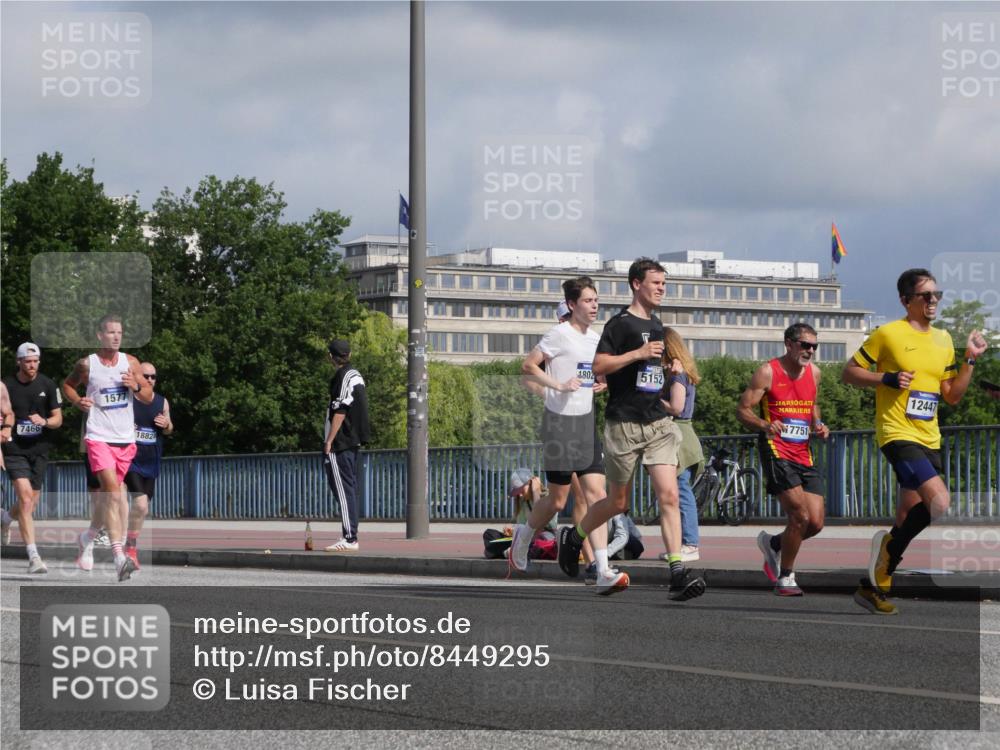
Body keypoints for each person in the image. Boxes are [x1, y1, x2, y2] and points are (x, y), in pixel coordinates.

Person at [842, 269, 988, 615]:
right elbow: (849, 372)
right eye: (926, 295)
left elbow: (951, 395)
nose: (933, 300)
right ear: (906, 300)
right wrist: (886, 378)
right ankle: (889, 549)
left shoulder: (942, 339)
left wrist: (969, 359)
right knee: (939, 502)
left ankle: (872, 587)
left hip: (930, 437)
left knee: (909, 514)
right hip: (897, 433)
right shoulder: (888, 334)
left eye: (936, 294)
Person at [559, 258, 706, 602]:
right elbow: (599, 366)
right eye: (656, 283)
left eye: (664, 284)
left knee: (668, 496)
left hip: (658, 423)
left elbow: (647, 374)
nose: (662, 289)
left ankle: (676, 573)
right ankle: (575, 536)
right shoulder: (619, 324)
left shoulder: (657, 324)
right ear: (637, 284)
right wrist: (638, 352)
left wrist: (666, 370)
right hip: (623, 424)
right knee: (617, 501)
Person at [512, 277, 628, 595]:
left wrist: (598, 383)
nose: (594, 306)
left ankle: (603, 569)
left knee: (597, 496)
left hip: (584, 424)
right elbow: (528, 366)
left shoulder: (597, 339)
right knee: (558, 500)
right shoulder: (558, 335)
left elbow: (592, 372)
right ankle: (523, 536)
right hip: (559, 424)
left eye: (596, 300)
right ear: (573, 305)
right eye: (589, 301)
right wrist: (559, 386)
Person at [736, 323, 830, 596]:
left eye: (814, 346)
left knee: (815, 523)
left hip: (803, 450)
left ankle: (775, 544)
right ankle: (785, 577)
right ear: (789, 344)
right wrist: (765, 425)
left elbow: (812, 404)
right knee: (799, 516)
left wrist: (819, 424)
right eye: (805, 345)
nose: (810, 351)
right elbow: (743, 410)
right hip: (776, 450)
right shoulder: (768, 371)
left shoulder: (815, 373)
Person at [62, 315, 153, 581]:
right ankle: (119, 558)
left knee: (108, 498)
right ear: (100, 335)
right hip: (98, 437)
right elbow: (67, 385)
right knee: (114, 495)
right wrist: (78, 401)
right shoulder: (86, 365)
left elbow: (147, 395)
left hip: (125, 439)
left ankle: (87, 537)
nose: (116, 336)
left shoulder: (131, 362)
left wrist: (135, 385)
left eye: (120, 332)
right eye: (111, 332)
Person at [1, 343, 63, 573]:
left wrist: (45, 422)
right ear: (18, 361)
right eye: (28, 361)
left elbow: (58, 419)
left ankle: (6, 518)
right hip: (14, 448)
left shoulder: (47, 384)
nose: (33, 365)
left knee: (30, 503)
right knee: (26, 500)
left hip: (39, 450)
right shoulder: (5, 385)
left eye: (36, 360)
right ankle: (34, 557)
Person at [659, 328, 705, 563]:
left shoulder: (678, 376)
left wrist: (652, 398)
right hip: (682, 435)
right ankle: (682, 544)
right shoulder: (681, 371)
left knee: (681, 491)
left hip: (679, 435)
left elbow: (676, 407)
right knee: (678, 491)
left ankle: (690, 543)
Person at [122, 362, 173, 570]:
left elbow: (170, 428)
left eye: (153, 377)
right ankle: (130, 548)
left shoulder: (162, 401)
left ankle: (129, 543)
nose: (150, 380)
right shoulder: (127, 399)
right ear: (137, 377)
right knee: (140, 504)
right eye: (146, 376)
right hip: (130, 459)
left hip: (151, 461)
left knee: (142, 509)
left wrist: (166, 425)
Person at [323, 339, 370, 552]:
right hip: (354, 440)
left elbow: (340, 410)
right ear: (349, 355)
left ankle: (349, 537)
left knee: (342, 490)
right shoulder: (356, 375)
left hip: (341, 441)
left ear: (331, 357)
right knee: (350, 489)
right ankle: (350, 535)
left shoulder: (342, 377)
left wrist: (329, 440)